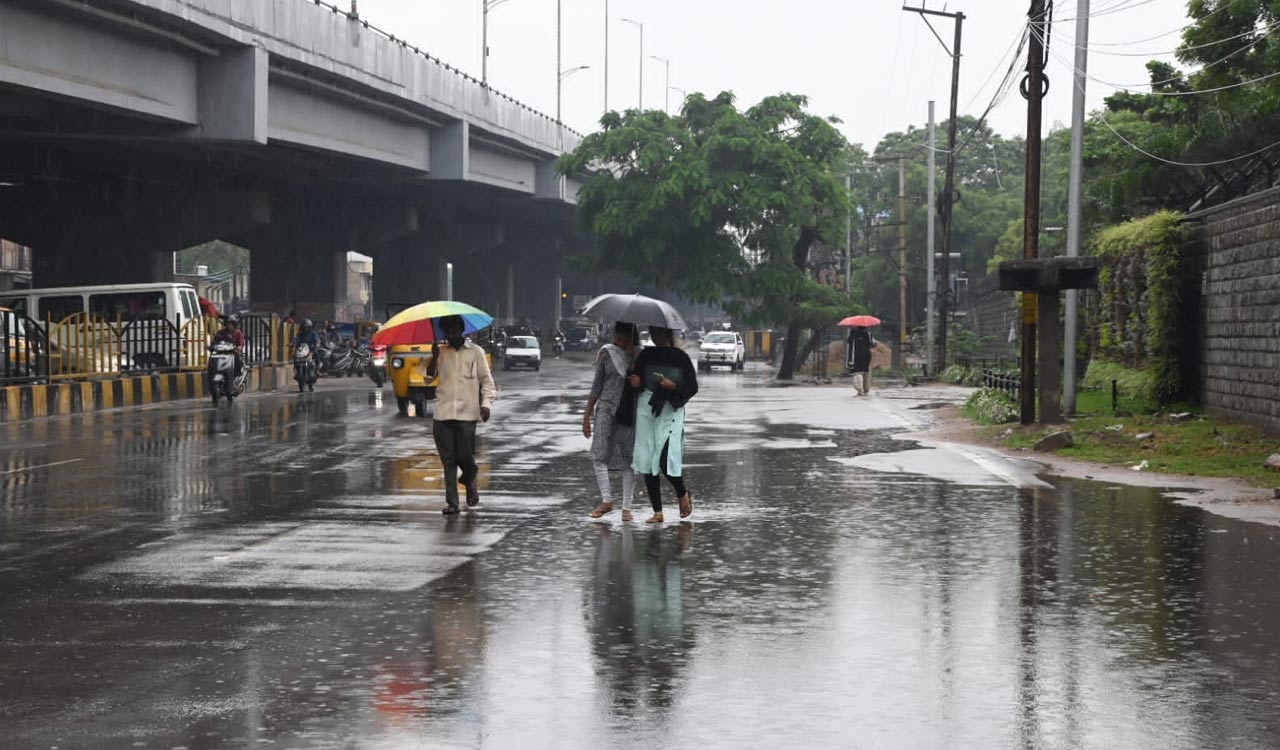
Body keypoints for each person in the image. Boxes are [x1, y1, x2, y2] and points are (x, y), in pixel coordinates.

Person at [426, 315, 497, 516]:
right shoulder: (440, 352)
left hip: (468, 414)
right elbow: (428, 376)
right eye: (446, 331)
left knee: (466, 458)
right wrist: (432, 356)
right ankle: (452, 503)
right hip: (443, 414)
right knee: (448, 460)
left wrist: (486, 404)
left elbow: (487, 381)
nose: (450, 335)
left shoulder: (476, 352)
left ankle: (469, 481)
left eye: (453, 330)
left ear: (461, 330)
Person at [629, 326, 698, 523]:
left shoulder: (680, 358)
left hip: (671, 410)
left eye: (659, 334)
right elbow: (638, 381)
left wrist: (674, 386)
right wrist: (635, 382)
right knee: (647, 459)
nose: (656, 338)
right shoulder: (646, 355)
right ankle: (657, 511)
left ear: (668, 334)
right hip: (647, 409)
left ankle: (682, 493)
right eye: (653, 334)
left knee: (665, 460)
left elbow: (692, 386)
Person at [584, 322, 641, 521]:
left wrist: (637, 373)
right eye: (618, 337)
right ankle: (606, 500)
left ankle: (627, 507)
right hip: (605, 408)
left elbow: (649, 384)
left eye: (625, 337)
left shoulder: (640, 355)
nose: (620, 341)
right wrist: (587, 415)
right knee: (598, 454)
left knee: (628, 460)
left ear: (632, 337)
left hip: (630, 413)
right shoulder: (606, 353)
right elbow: (597, 384)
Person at [847, 325, 875, 396]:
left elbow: (849, 343)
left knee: (856, 372)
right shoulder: (869, 334)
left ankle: (860, 389)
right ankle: (866, 389)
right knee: (865, 372)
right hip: (866, 355)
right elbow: (874, 344)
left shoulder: (852, 334)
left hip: (855, 355)